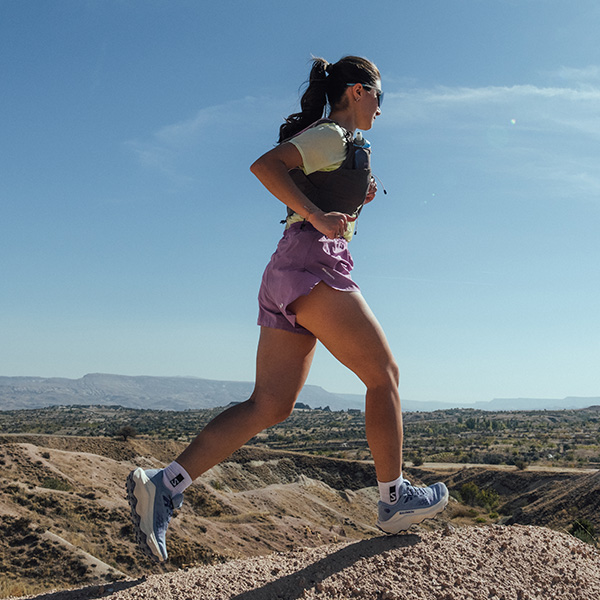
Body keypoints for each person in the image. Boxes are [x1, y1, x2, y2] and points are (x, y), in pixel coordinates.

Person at [126, 55, 448, 563]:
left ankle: (164, 484)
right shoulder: (331, 135)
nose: (381, 110)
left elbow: (307, 185)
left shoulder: (343, 145)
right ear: (358, 91)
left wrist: (347, 201)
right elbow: (265, 166)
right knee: (383, 374)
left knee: (270, 405)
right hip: (312, 267)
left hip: (288, 270)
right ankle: (394, 499)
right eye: (379, 97)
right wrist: (317, 215)